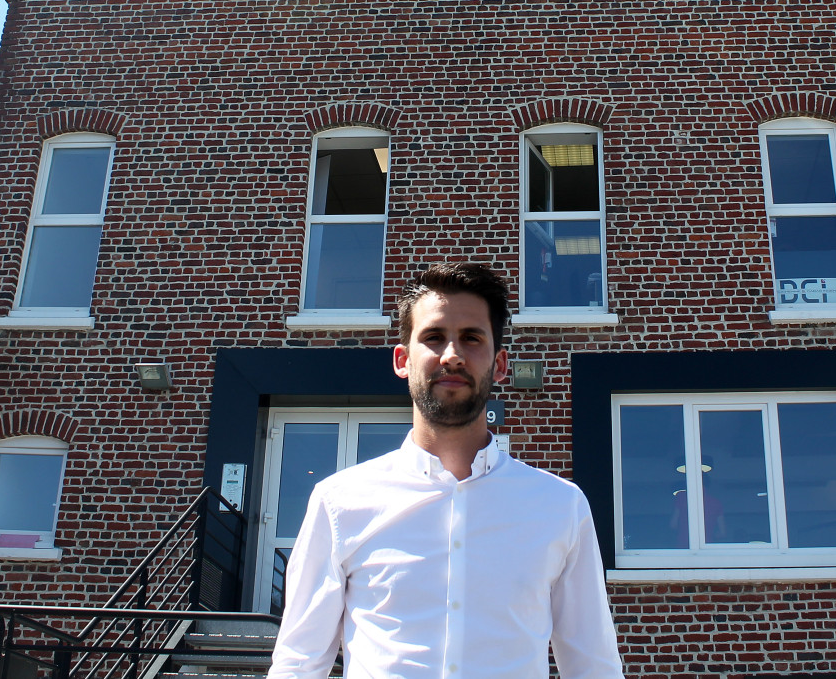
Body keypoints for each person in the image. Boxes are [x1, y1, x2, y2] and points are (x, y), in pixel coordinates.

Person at [267, 262, 624, 679]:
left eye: (472, 338)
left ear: (501, 364)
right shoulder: (338, 503)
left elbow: (593, 667)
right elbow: (298, 664)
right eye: (434, 337)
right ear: (402, 360)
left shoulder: (561, 507)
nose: (452, 355)